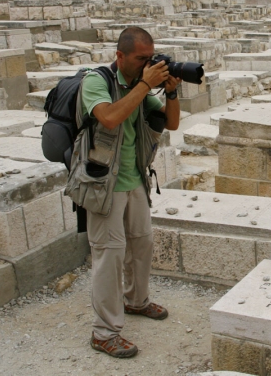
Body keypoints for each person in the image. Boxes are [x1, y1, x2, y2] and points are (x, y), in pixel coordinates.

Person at [82, 26, 181, 358]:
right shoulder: (97, 82)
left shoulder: (140, 87)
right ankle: (104, 332)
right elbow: (109, 118)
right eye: (140, 59)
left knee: (142, 243)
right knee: (109, 255)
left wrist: (170, 92)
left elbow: (172, 124)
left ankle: (136, 300)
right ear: (120, 56)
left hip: (135, 179)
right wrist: (144, 84)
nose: (146, 65)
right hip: (102, 185)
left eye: (149, 58)